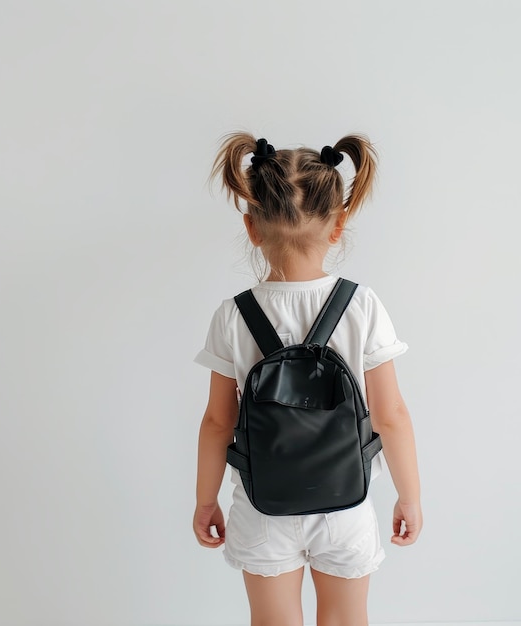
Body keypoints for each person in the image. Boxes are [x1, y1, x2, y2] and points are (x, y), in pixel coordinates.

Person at [193, 132, 422, 626]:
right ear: (338, 225)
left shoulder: (233, 316)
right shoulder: (361, 305)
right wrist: (410, 494)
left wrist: (205, 499)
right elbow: (391, 415)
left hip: (262, 505)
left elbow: (217, 421)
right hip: (346, 504)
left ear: (251, 228)